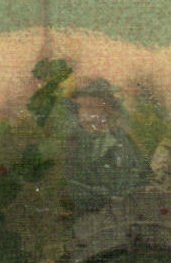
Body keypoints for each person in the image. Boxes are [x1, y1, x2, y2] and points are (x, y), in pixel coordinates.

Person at [62, 79, 151, 213]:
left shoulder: (122, 141)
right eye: (82, 108)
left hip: (120, 214)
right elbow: (64, 184)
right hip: (80, 214)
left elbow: (143, 177)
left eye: (93, 108)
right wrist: (102, 197)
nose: (86, 115)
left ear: (108, 111)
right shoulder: (70, 142)